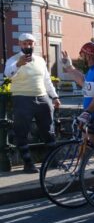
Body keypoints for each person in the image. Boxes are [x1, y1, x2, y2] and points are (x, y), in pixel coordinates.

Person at [3, 33, 60, 173]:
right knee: (21, 132)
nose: (27, 46)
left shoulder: (40, 60)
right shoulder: (13, 59)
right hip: (22, 98)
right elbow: (7, 74)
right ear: (20, 44)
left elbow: (46, 80)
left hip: (42, 98)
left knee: (48, 130)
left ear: (34, 44)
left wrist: (54, 96)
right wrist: (18, 64)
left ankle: (53, 161)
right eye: (24, 43)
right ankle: (28, 164)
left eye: (30, 43)